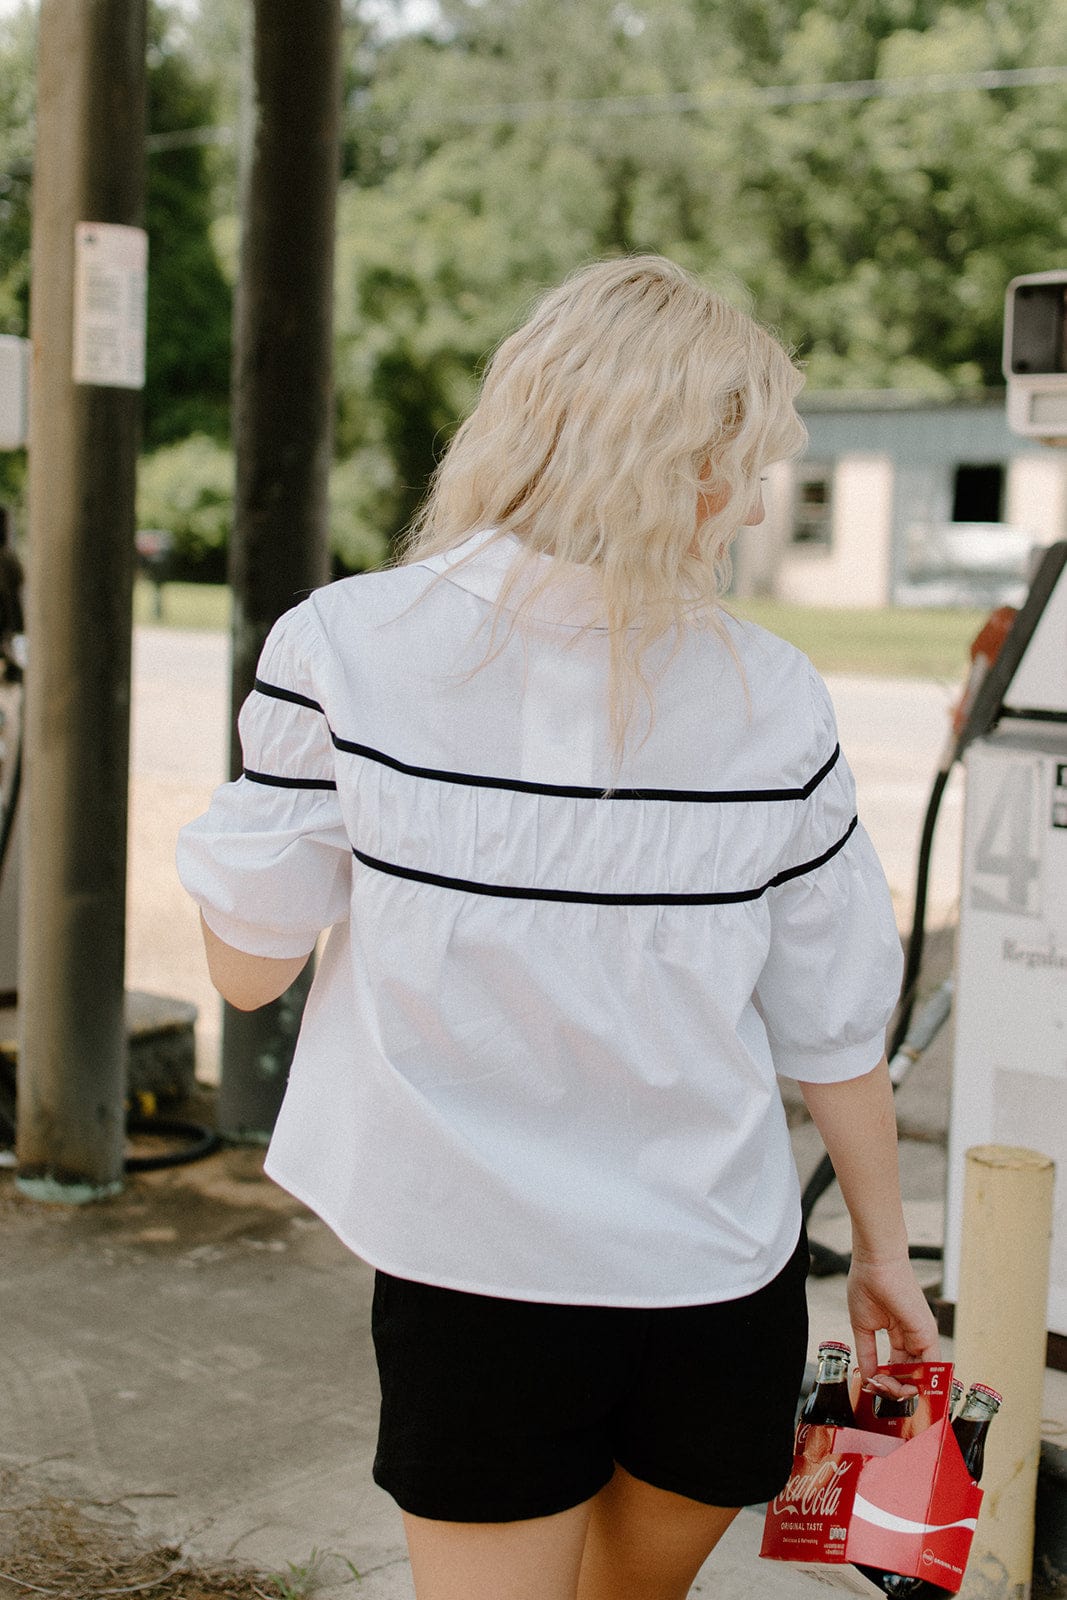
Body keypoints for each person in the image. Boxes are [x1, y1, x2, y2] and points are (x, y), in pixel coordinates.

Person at [177, 254, 939, 1600]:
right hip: (718, 1281)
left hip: (473, 1277)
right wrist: (883, 1257)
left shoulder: (345, 649)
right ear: (678, 464)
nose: (760, 497)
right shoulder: (777, 697)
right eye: (747, 462)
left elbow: (247, 974)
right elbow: (834, 1026)